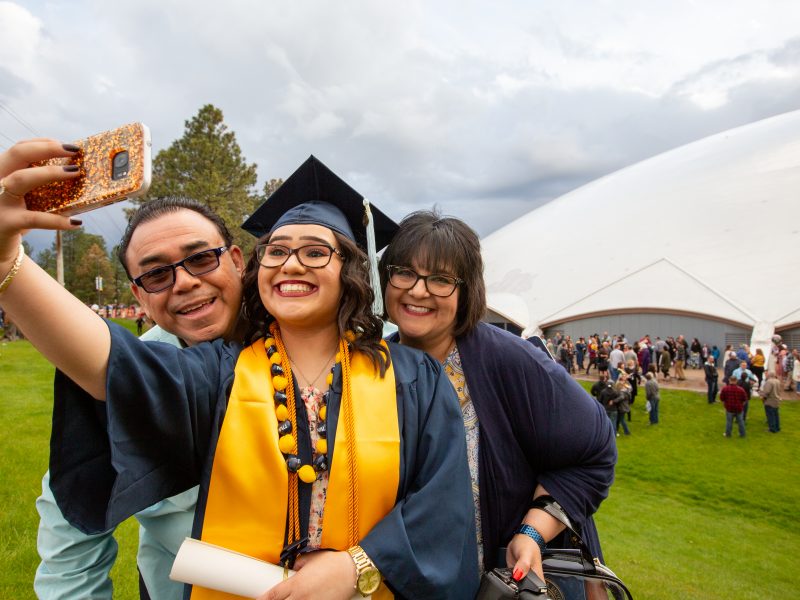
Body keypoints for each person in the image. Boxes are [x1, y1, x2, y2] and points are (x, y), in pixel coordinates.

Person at [0, 146, 479, 599]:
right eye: (276, 251)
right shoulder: (216, 373)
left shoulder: (412, 378)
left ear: (349, 270)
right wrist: (8, 262)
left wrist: (358, 567)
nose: (292, 263)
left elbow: (441, 506)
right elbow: (113, 365)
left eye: (315, 251)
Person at [379, 210, 616, 581]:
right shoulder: (373, 368)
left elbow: (594, 452)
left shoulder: (509, 361)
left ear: (466, 290)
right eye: (404, 272)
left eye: (440, 279)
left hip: (497, 582)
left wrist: (533, 532)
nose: (418, 290)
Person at [35, 198, 246, 599]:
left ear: (237, 260)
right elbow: (71, 534)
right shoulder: (120, 379)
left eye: (201, 258)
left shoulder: (314, 348)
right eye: (156, 275)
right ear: (139, 296)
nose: (183, 282)